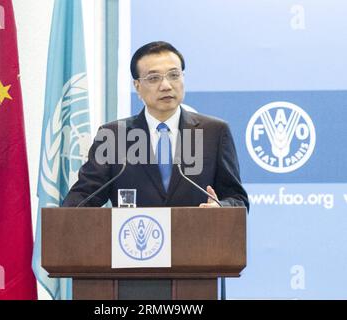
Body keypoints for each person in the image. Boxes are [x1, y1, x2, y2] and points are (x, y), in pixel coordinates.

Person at [62, 41, 249, 210]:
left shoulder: (213, 132)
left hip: (197, 242)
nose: (166, 85)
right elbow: (83, 197)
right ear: (137, 86)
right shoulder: (113, 136)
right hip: (131, 244)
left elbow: (237, 199)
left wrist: (221, 208)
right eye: (153, 78)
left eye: (174, 75)